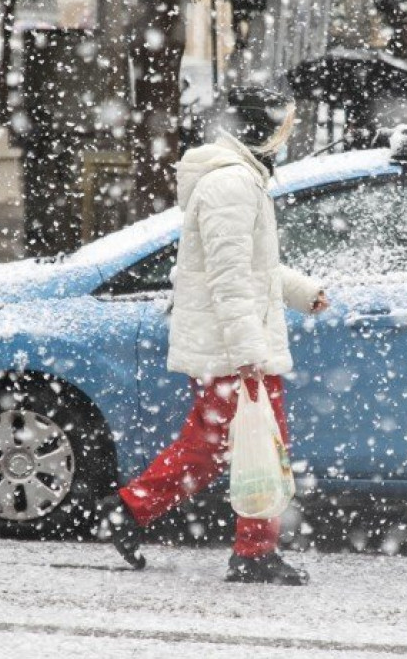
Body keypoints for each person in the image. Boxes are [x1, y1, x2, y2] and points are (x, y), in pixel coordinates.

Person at [96, 86, 330, 586]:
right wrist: (250, 354)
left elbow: (251, 266)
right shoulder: (232, 186)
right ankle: (252, 553)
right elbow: (229, 278)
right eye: (284, 127)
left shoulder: (241, 181)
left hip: (229, 349)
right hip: (235, 350)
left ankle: (131, 511)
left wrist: (301, 292)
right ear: (261, 128)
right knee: (263, 447)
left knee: (209, 447)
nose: (287, 137)